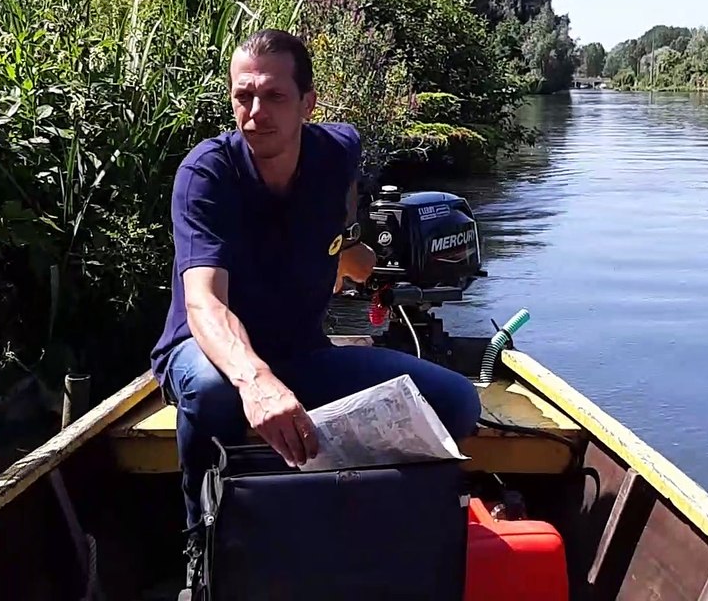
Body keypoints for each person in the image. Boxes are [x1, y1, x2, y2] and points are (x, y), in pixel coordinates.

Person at [149, 29, 482, 538]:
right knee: (216, 389)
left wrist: (348, 252)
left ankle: (352, 528)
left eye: (275, 96)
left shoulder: (338, 150)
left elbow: (339, 214)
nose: (256, 112)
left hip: (302, 354)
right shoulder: (207, 175)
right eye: (244, 96)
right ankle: (205, 545)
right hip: (209, 355)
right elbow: (204, 305)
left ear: (308, 103)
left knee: (456, 402)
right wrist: (256, 381)